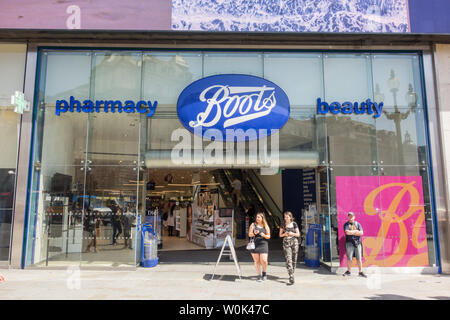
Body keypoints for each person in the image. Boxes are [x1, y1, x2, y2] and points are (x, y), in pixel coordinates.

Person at [248, 211, 271, 281]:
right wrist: (254, 233)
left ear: (262, 218)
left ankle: (264, 272)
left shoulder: (265, 225)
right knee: (257, 261)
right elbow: (249, 234)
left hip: (263, 244)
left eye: (259, 217)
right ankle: (259, 275)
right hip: (255, 244)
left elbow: (269, 236)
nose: (257, 218)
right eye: (256, 217)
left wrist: (264, 235)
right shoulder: (253, 225)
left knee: (264, 260)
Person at [343, 212, 367, 277]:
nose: (351, 218)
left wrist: (352, 232)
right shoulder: (346, 224)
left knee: (359, 258)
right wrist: (356, 231)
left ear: (354, 217)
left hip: (357, 243)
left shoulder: (358, 224)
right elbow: (347, 232)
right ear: (348, 217)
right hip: (349, 243)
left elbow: (361, 233)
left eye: (352, 216)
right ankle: (348, 271)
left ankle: (360, 272)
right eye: (349, 216)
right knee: (349, 258)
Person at [279, 211, 300, 285]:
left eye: (287, 217)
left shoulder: (294, 224)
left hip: (294, 242)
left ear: (291, 217)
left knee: (294, 259)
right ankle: (291, 275)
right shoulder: (283, 224)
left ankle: (292, 272)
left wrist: (292, 233)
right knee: (288, 259)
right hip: (286, 243)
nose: (286, 218)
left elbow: (298, 234)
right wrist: (284, 234)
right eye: (285, 217)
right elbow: (280, 235)